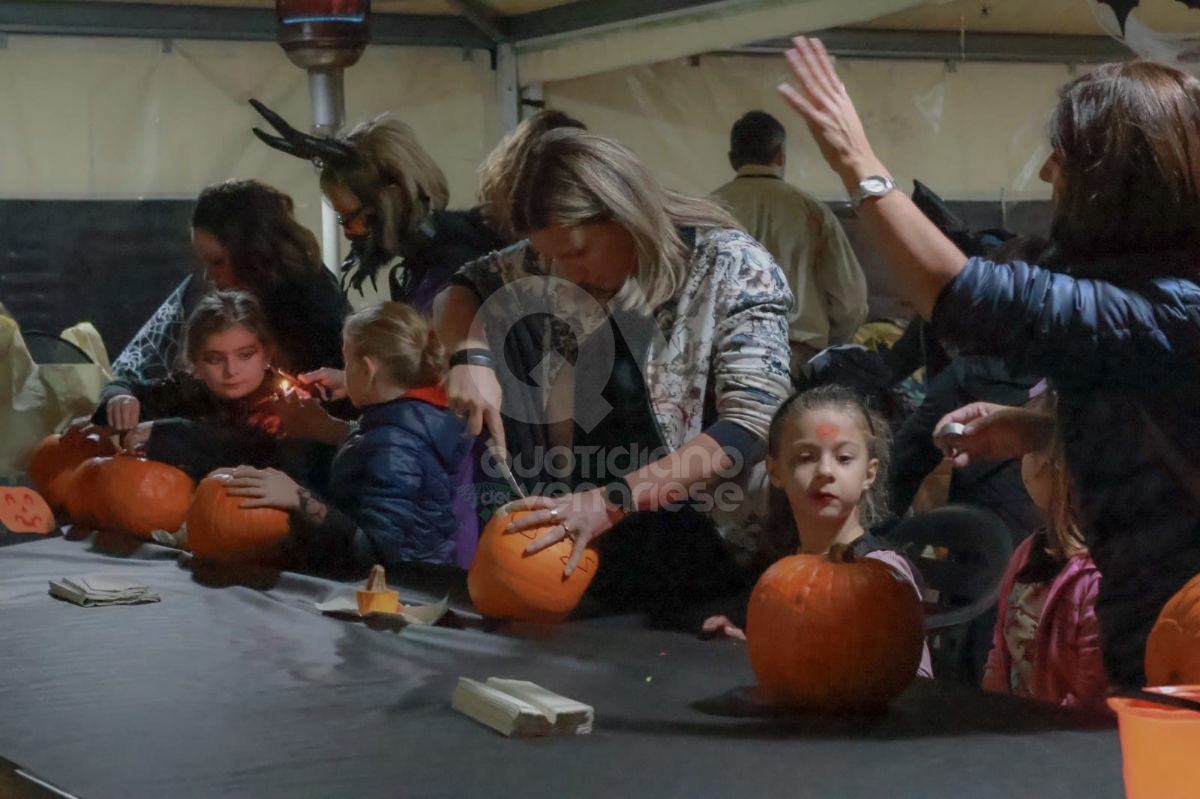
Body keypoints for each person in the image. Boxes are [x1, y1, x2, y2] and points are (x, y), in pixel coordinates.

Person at [780, 38, 1200, 686]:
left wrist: (858, 164)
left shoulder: (1171, 304)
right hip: (1156, 640)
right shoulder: (1156, 293)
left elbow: (967, 298)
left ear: (1117, 176)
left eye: (1066, 156)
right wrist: (1039, 429)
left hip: (1178, 652)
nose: (1046, 174)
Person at [437, 128, 794, 620]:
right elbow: (464, 287)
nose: (564, 271)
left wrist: (610, 502)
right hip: (597, 554)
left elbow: (750, 425)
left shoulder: (730, 267)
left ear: (624, 214)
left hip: (715, 558)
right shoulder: (557, 260)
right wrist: (469, 355)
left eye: (577, 253)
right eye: (551, 257)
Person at [700, 385, 933, 680]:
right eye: (806, 457)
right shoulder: (782, 568)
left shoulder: (883, 573)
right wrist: (747, 648)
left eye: (844, 458)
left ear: (869, 473)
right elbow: (796, 661)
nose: (825, 470)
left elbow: (916, 678)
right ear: (775, 472)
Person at [225, 302, 477, 576]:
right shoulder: (424, 416)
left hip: (399, 597)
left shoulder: (392, 449)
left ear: (368, 369)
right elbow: (384, 439)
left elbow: (376, 558)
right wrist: (326, 428)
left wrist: (299, 498)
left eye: (346, 362)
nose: (343, 374)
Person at [250, 100, 503, 312]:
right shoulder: (431, 264)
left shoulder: (454, 272)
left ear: (391, 199)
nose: (347, 231)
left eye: (349, 217)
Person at [89, 291, 335, 487]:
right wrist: (119, 398)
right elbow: (130, 386)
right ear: (195, 362)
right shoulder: (189, 390)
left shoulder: (290, 403)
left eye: (245, 355)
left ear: (267, 353)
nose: (231, 371)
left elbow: (253, 450)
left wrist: (171, 434)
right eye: (215, 359)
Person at [112, 180, 348, 381]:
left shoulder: (312, 307)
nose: (209, 275)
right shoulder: (258, 296)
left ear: (252, 252)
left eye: (217, 262)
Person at [711, 110, 867, 372]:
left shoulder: (704, 211)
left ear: (732, 159)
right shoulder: (813, 212)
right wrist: (827, 347)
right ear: (780, 154)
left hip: (722, 361)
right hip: (795, 359)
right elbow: (852, 303)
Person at [982, 406, 1106, 711]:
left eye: (1031, 450)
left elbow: (1091, 695)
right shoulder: (1028, 551)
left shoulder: (1097, 579)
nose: (1022, 461)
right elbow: (1001, 647)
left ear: (1060, 469)